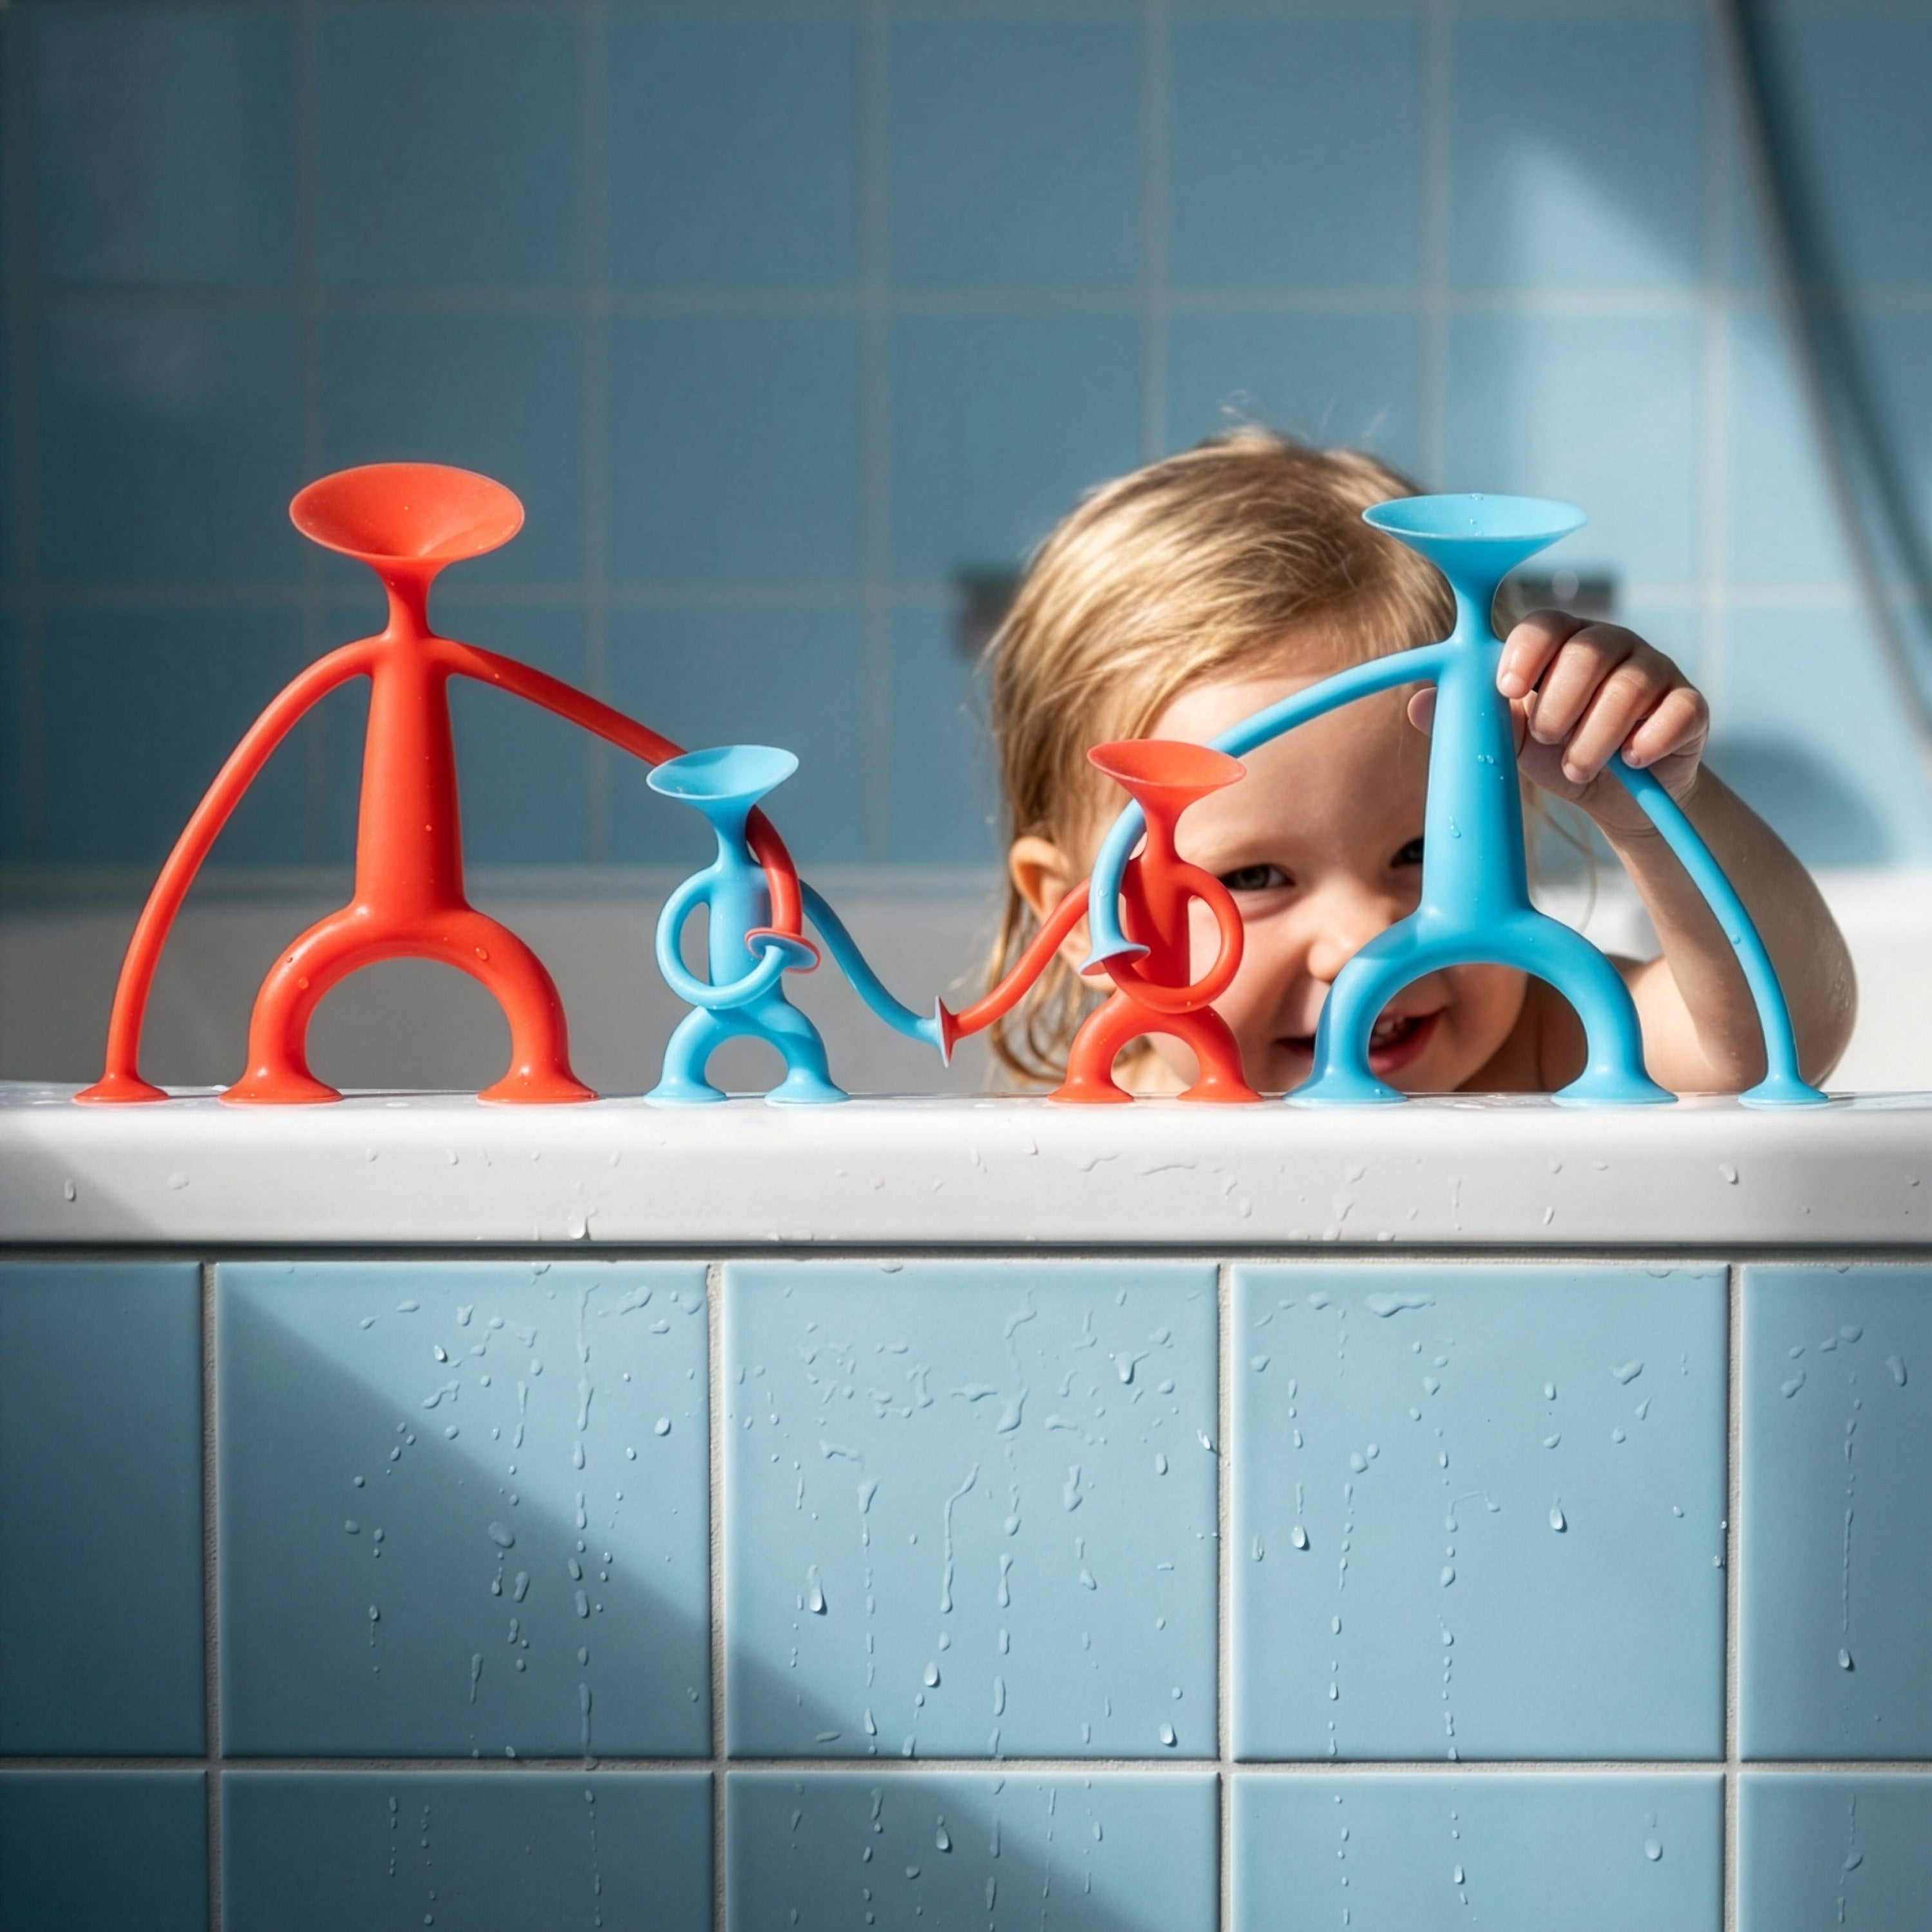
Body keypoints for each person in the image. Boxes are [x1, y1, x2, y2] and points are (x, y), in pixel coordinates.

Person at [982, 428, 1856, 1098]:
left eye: (1423, 851)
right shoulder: (1110, 1124)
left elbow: (1774, 1045)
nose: (1365, 937)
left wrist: (1657, 813)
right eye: (1252, 878)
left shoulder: (1550, 1042)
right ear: (1081, 917)